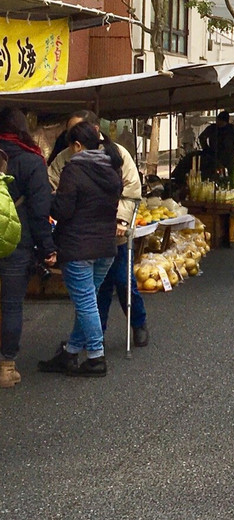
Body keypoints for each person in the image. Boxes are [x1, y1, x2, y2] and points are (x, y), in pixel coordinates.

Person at [49, 110, 148, 348]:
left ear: (94, 130)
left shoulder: (117, 154)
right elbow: (51, 185)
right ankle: (93, 337)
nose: (73, 136)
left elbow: (131, 192)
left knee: (124, 282)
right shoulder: (65, 157)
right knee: (93, 292)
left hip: (114, 234)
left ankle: (138, 323)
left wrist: (121, 221)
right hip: (83, 234)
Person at [38, 121, 123, 377]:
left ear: (77, 145)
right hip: (106, 246)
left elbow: (63, 210)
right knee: (89, 301)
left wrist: (48, 200)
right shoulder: (112, 167)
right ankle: (71, 353)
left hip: (78, 246)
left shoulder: (74, 169)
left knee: (86, 303)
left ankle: (96, 357)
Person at [0, 108, 57, 387]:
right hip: (17, 243)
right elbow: (39, 210)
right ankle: (6, 368)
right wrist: (47, 248)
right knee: (11, 305)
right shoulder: (32, 160)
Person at [199, 111, 234, 180]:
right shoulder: (212, 128)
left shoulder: (232, 129)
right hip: (214, 157)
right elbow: (202, 137)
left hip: (228, 157)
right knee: (213, 178)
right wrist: (207, 150)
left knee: (230, 178)